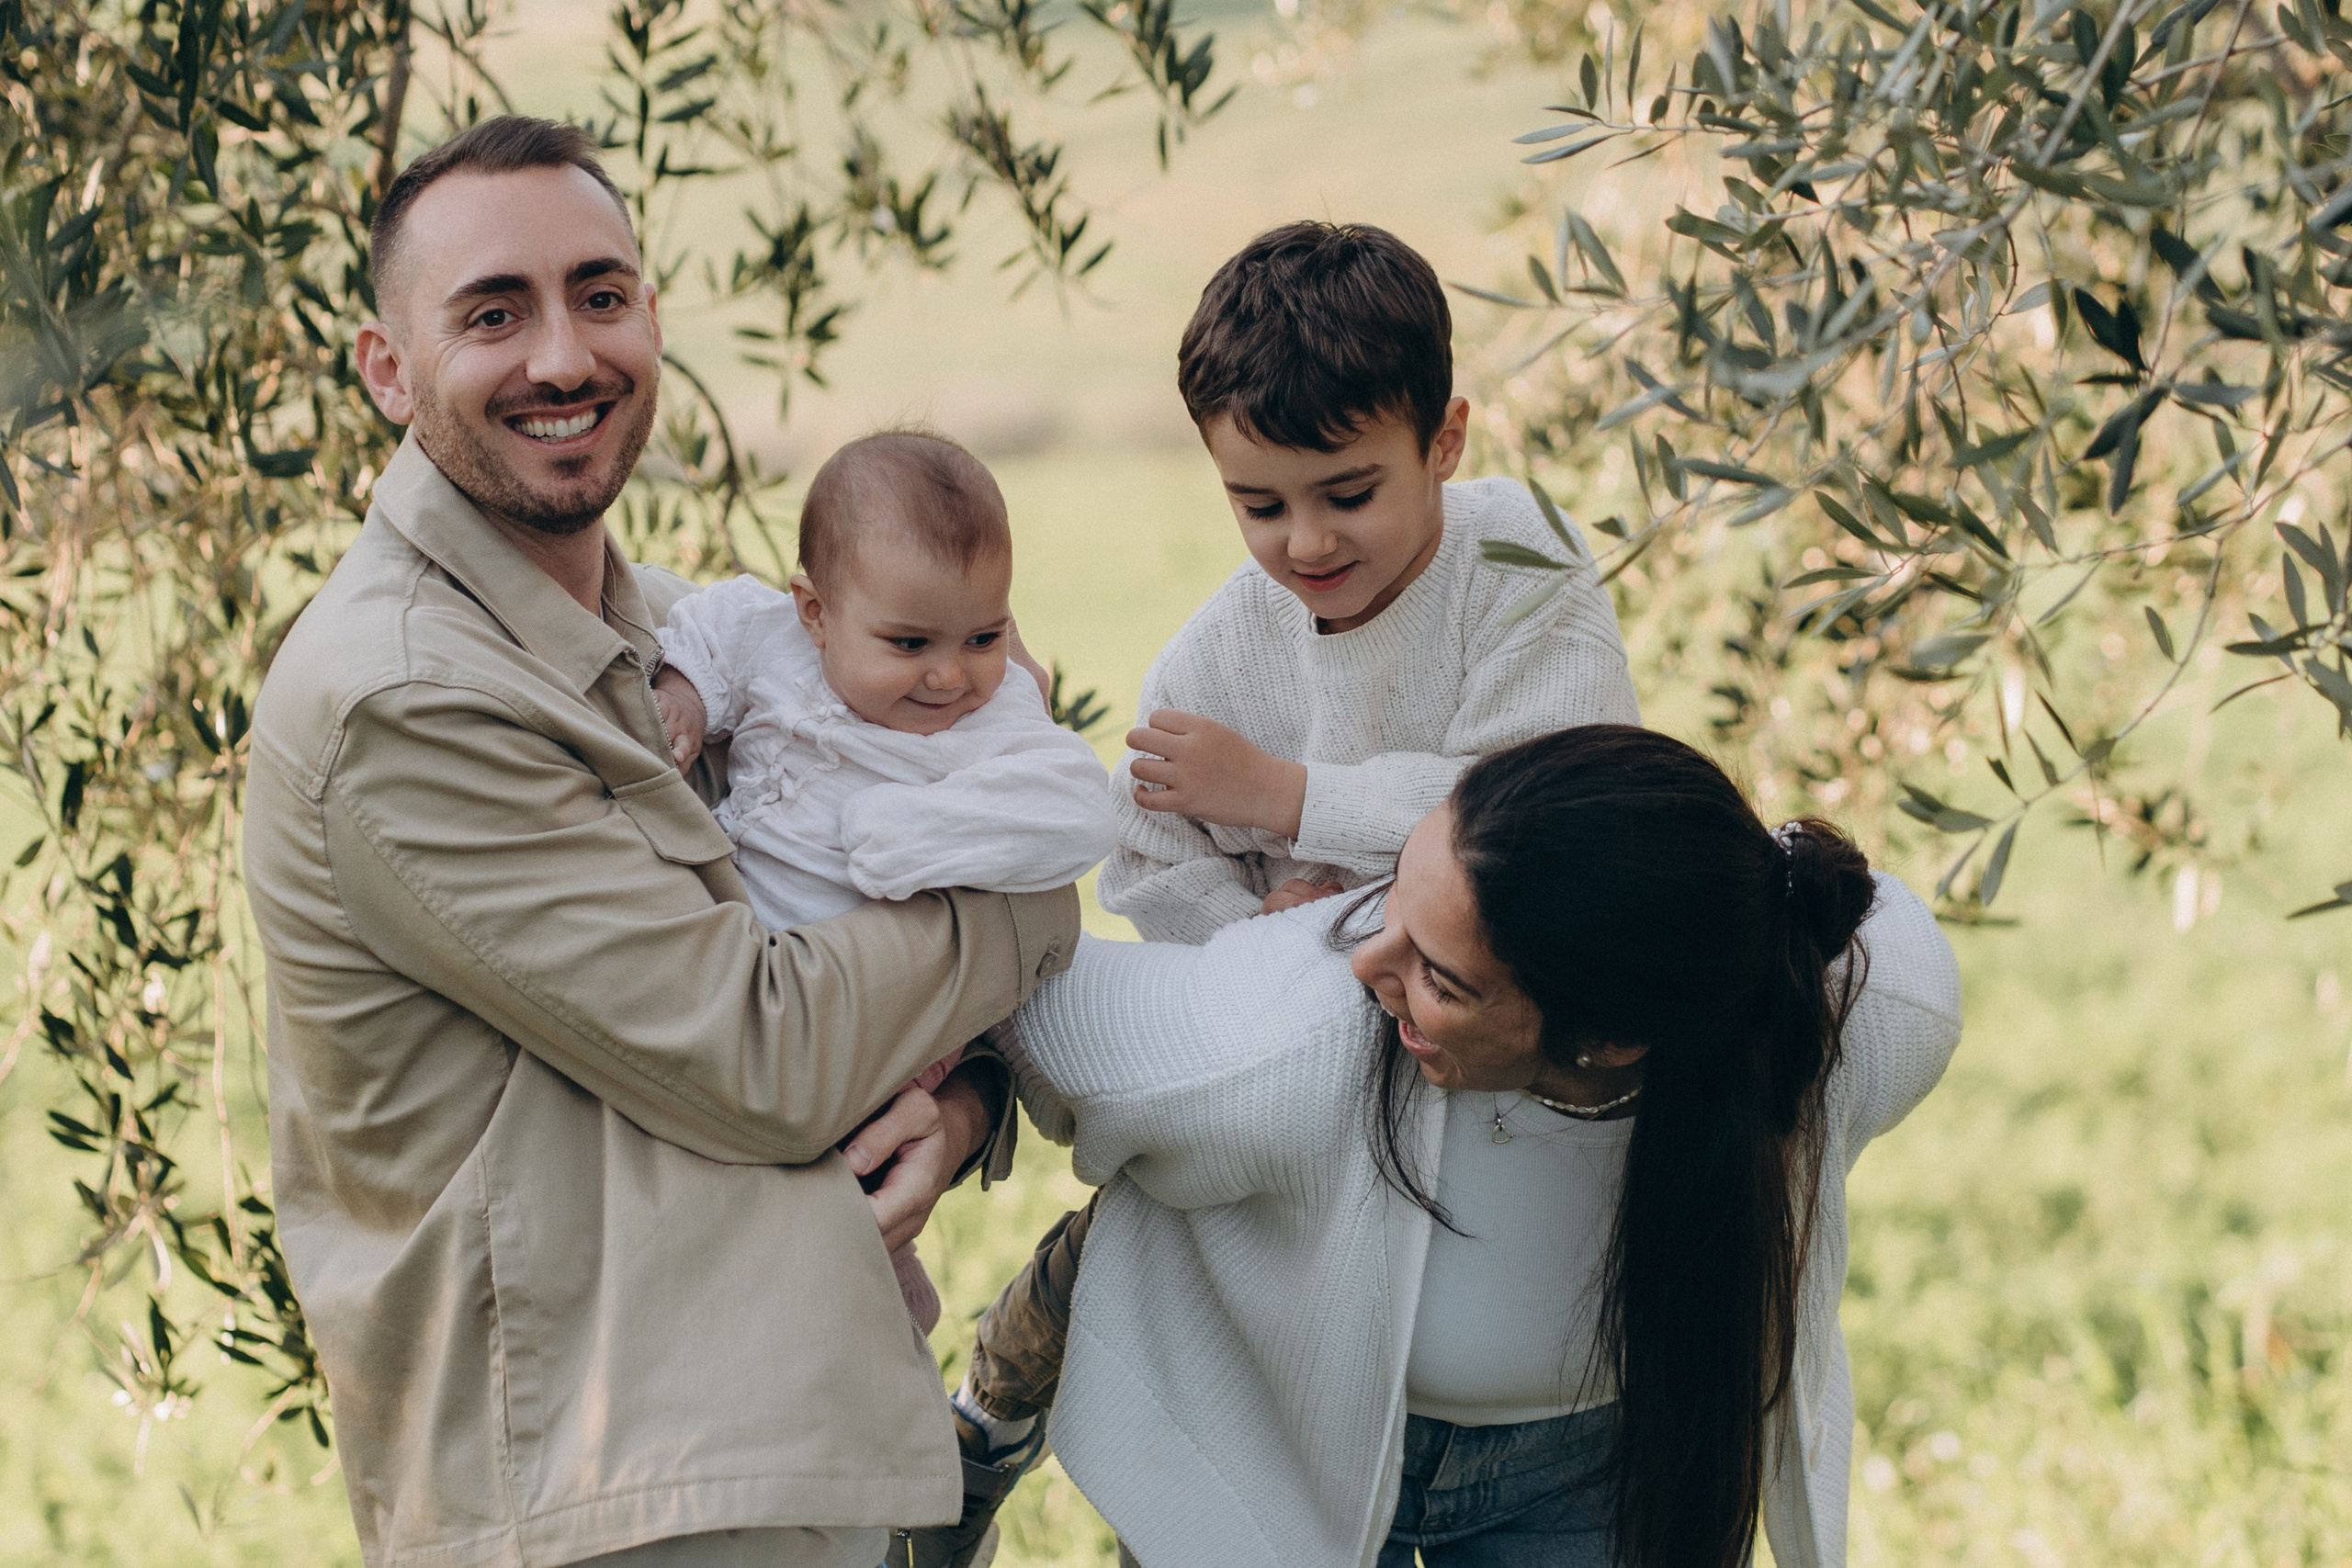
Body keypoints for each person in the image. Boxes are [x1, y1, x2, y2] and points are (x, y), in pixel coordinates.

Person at [243, 117, 1077, 1568]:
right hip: (617, 1507)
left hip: (800, 1453)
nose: (564, 356)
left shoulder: (690, 637)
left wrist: (957, 1113)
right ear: (389, 371)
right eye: (494, 312)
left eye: (602, 294)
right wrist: (1029, 882)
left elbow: (918, 882)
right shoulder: (404, 696)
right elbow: (762, 1049)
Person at [919, 220, 1641, 1562]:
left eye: (1348, 491)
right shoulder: (1215, 653)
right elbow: (1146, 857)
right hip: (1304, 1242)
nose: (1305, 539)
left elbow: (1550, 809)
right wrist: (1270, 934)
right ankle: (1016, 1370)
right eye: (1259, 503)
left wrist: (1287, 801)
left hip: (1534, 1245)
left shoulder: (1528, 563)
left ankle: (1020, 1364)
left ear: (1447, 439)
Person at [1000, 725, 1964, 1568]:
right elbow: (1032, 1007)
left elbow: (1855, 921)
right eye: (1392, 900)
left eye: (1442, 978)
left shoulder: (1849, 1018)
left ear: (1608, 1042)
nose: (1367, 961)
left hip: (1592, 1461)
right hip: (1280, 1426)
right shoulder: (1284, 1035)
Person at [650, 428, 1117, 1329]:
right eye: (908, 643)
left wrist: (906, 837)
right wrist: (685, 697)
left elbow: (1077, 807)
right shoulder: (767, 635)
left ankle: (878, 1285)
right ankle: (857, 1287)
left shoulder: (992, 710)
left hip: (882, 1011)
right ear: (814, 612)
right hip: (749, 961)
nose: (951, 675)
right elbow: (705, 627)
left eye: (984, 634)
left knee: (860, 1144)